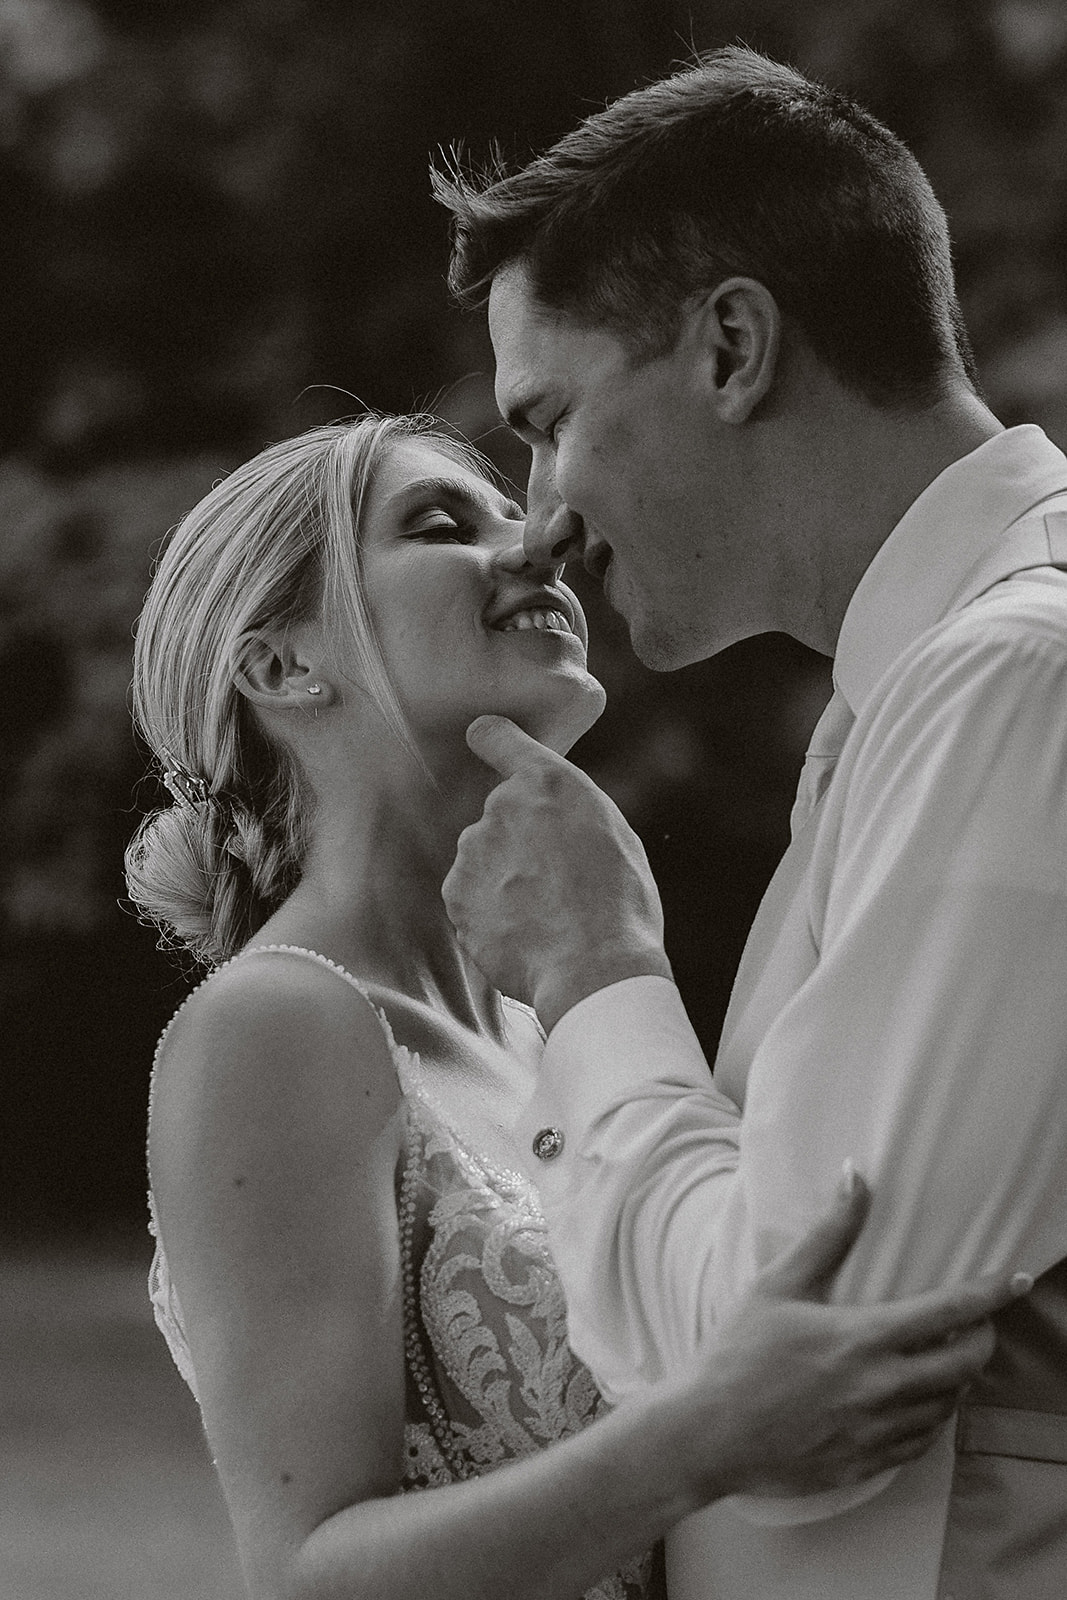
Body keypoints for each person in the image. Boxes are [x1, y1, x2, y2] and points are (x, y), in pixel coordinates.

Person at [126, 414, 1021, 1600]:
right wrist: (704, 1439)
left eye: (515, 508)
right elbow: (311, 1574)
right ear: (283, 667)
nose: (538, 538)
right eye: (440, 525)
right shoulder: (275, 1027)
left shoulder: (546, 1027)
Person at [435, 46, 1067, 1600]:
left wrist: (593, 973)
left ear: (729, 347)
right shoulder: (922, 691)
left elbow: (786, 1396)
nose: (539, 517)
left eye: (547, 419)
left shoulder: (1012, 683)